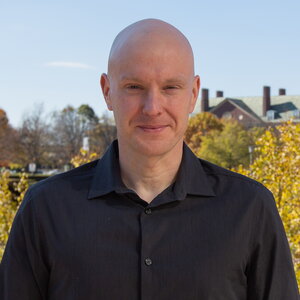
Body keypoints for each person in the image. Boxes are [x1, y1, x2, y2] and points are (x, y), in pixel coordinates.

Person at [0, 19, 299, 300]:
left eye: (170, 87)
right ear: (107, 91)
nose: (153, 107)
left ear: (193, 93)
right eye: (134, 87)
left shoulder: (250, 208)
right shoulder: (46, 209)